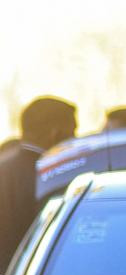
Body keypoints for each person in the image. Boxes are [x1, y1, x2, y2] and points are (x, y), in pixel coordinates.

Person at [0, 96, 76, 266]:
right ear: (55, 134)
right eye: (73, 132)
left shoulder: (4, 167)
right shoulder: (56, 174)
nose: (74, 140)